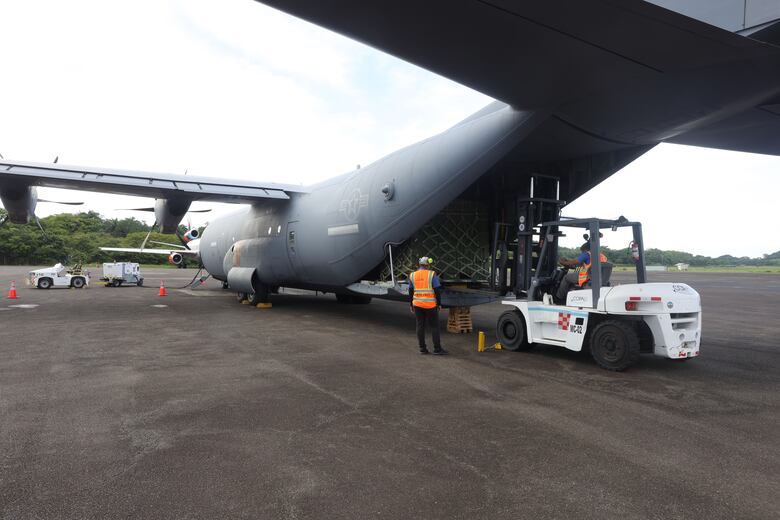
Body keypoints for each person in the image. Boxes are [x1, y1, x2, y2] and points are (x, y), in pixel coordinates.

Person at [409, 256, 448, 355]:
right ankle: (437, 349)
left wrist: (411, 304)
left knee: (420, 326)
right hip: (430, 305)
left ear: (419, 265)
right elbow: (437, 290)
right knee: (434, 327)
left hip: (417, 304)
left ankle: (422, 349)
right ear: (428, 265)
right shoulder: (432, 274)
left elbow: (410, 290)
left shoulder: (412, 275)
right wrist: (439, 303)